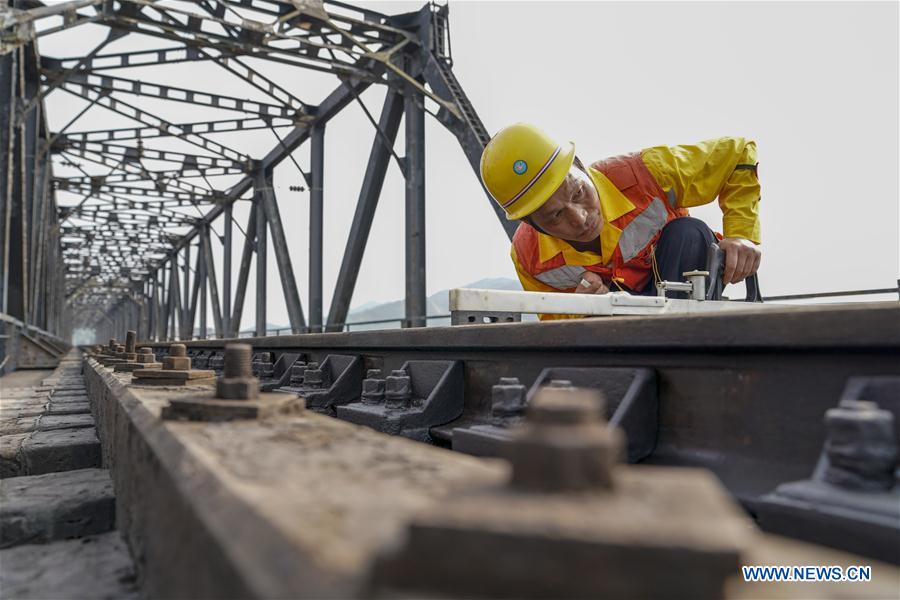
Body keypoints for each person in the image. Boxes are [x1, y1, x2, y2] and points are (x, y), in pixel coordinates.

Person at [479, 124, 762, 319]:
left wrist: (741, 234)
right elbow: (556, 324)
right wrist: (583, 310)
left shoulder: (647, 173)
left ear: (580, 165)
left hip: (679, 283)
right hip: (618, 325)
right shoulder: (530, 257)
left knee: (689, 233)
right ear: (531, 223)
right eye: (555, 216)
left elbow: (738, 154)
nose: (580, 218)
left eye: (578, 193)